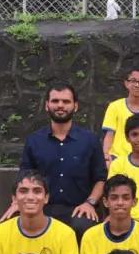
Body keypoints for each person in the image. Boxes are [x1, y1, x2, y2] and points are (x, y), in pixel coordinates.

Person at [6, 82, 106, 240]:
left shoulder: (90, 141)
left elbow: (100, 178)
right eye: (55, 101)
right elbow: (24, 177)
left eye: (66, 101)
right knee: (10, 224)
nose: (60, 105)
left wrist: (90, 203)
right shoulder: (34, 141)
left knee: (83, 226)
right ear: (47, 105)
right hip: (41, 208)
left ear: (75, 106)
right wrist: (17, 203)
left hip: (78, 209)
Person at [101, 66, 139, 165]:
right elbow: (109, 135)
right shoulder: (115, 106)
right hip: (116, 159)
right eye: (133, 81)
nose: (137, 85)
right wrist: (105, 156)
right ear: (126, 83)